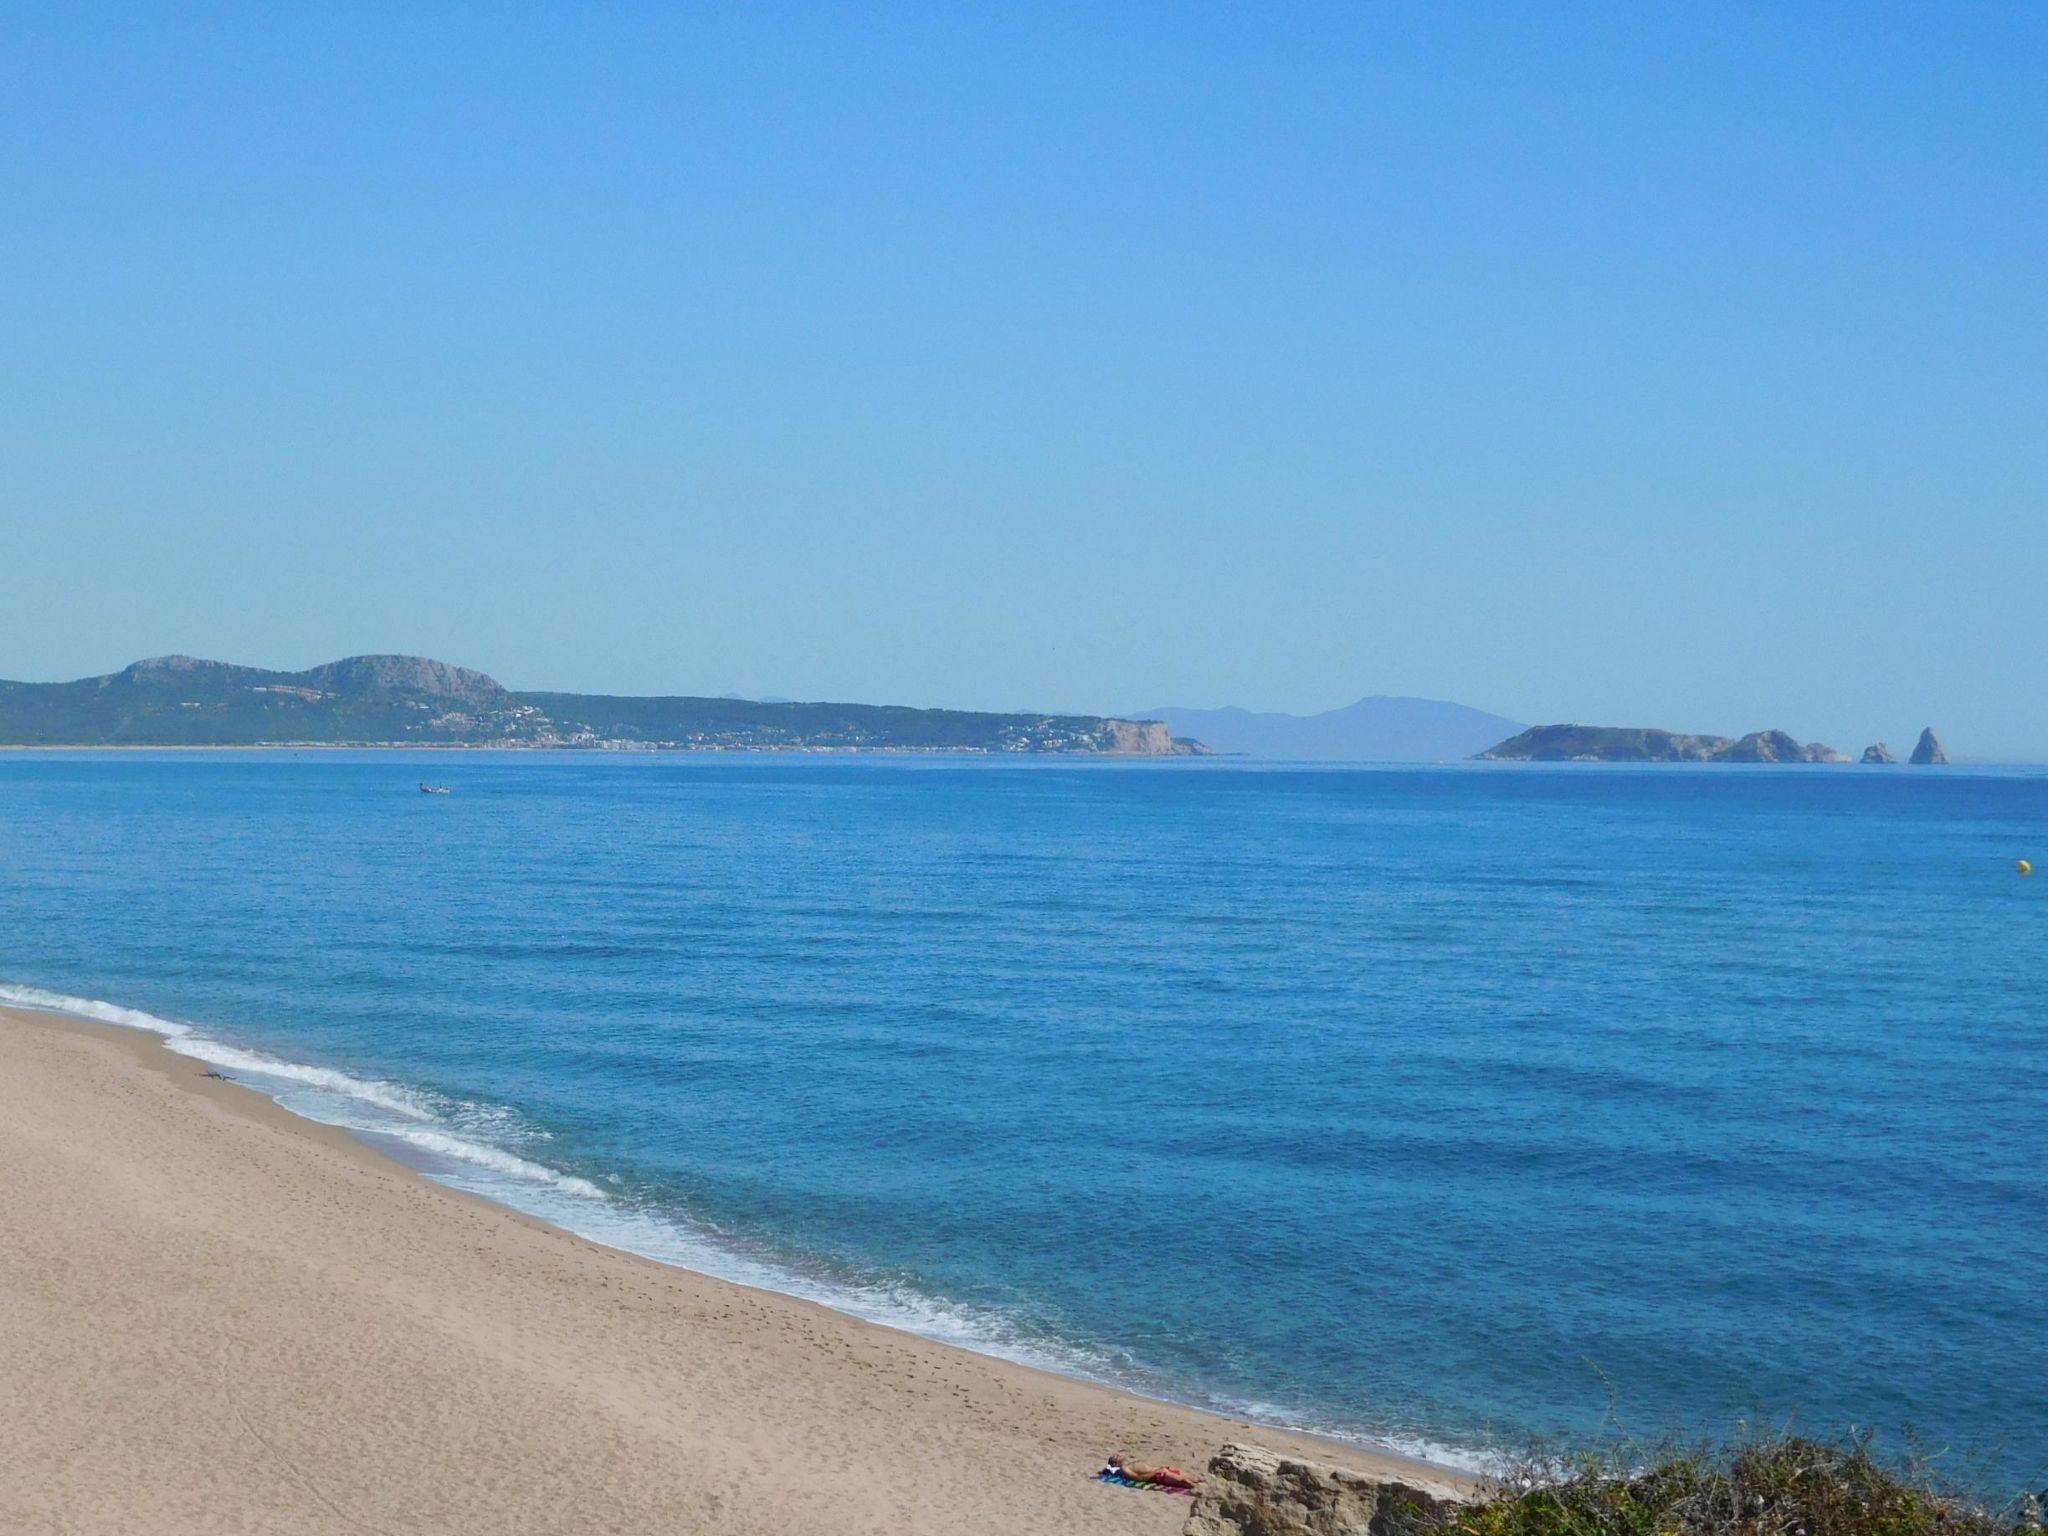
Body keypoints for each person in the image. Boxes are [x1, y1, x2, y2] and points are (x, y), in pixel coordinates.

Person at [1105, 1454, 1200, 1489]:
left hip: (1164, 1469)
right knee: (1186, 1482)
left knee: (1196, 1478)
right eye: (1116, 1457)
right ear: (1116, 1464)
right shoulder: (1124, 1469)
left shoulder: (1127, 1465)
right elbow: (1139, 1478)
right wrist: (1156, 1472)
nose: (1118, 1454)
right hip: (1160, 1475)